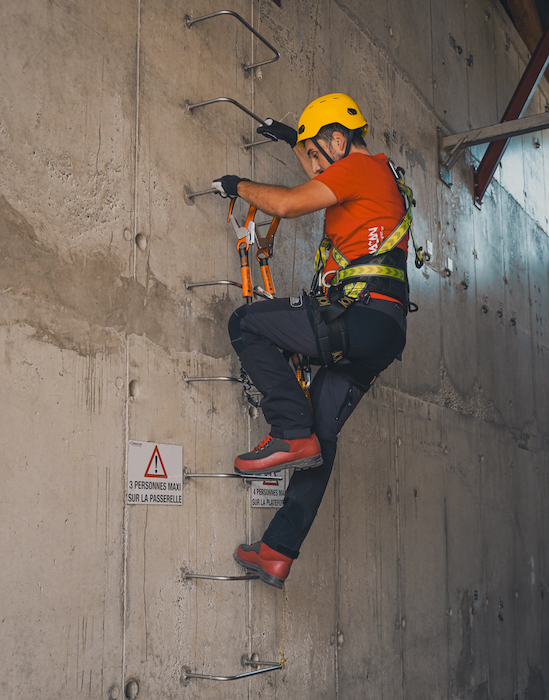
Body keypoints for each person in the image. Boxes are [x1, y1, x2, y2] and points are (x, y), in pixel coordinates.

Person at [212, 93, 416, 589]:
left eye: (317, 155)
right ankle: (277, 552)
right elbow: (324, 175)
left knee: (246, 324)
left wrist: (237, 185)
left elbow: (286, 203)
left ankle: (287, 428)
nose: (314, 168)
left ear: (339, 139)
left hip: (354, 315)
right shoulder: (383, 174)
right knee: (320, 443)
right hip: (384, 330)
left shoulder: (357, 170)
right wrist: (292, 138)